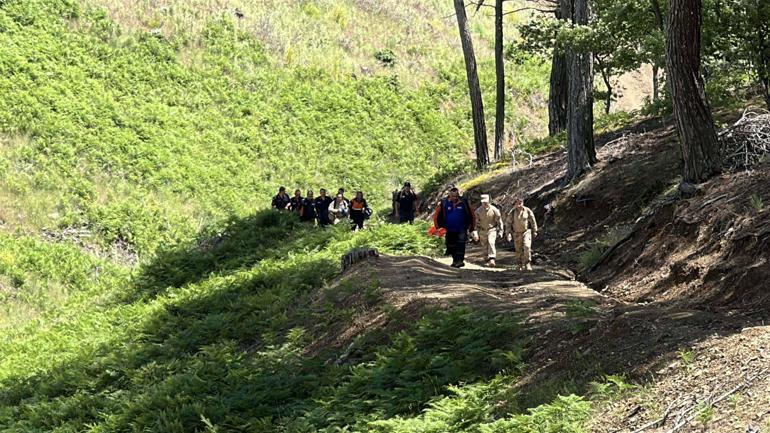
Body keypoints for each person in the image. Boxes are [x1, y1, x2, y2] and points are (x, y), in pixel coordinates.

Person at [433, 187, 476, 268]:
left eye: (456, 196)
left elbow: (472, 214)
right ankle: (455, 260)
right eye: (453, 196)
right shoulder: (444, 202)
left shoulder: (464, 202)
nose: (455, 198)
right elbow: (436, 215)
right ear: (450, 195)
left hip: (461, 228)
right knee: (450, 245)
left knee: (460, 244)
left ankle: (459, 261)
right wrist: (438, 227)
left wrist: (472, 227)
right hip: (449, 229)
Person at [505, 197, 538, 271]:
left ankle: (527, 263)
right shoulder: (512, 212)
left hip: (526, 232)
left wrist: (535, 230)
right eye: (518, 203)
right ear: (515, 204)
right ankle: (519, 264)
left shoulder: (527, 210)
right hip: (517, 233)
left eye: (521, 203)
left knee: (527, 247)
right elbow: (508, 224)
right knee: (518, 249)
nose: (519, 205)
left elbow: (533, 220)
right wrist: (508, 234)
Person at [472, 194, 504, 267]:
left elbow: (499, 221)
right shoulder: (478, 211)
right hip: (482, 230)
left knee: (491, 242)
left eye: (486, 202)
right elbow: (475, 224)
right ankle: (486, 259)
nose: (485, 203)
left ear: (489, 201)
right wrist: (475, 233)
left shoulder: (494, 210)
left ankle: (492, 259)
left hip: (492, 230)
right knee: (484, 245)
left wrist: (501, 231)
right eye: (483, 202)